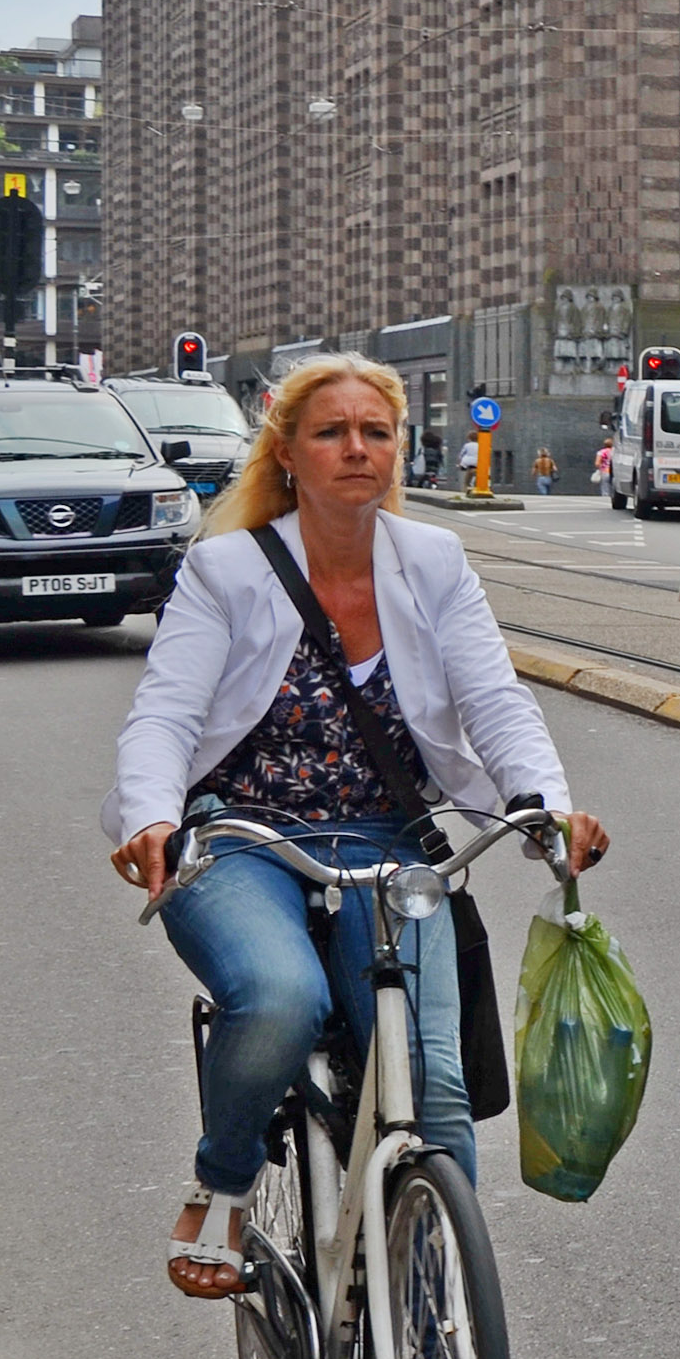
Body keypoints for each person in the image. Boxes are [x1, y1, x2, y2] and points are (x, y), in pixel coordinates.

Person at [104, 355, 612, 1298]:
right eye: (332, 432)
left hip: (386, 844)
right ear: (288, 453)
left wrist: (543, 802)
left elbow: (494, 701)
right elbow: (166, 716)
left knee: (438, 1092)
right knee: (280, 995)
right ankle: (225, 1177)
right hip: (241, 841)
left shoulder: (434, 562)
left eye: (376, 432)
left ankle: (437, 1357)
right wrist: (153, 819)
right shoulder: (227, 569)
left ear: (399, 451)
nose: (357, 449)